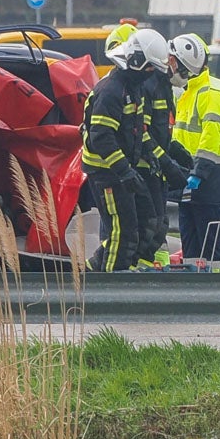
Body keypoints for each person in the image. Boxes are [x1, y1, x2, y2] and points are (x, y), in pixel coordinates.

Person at [83, 28, 170, 272]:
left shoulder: (133, 87)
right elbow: (102, 137)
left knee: (142, 226)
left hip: (122, 170)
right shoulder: (111, 90)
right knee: (122, 235)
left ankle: (93, 271)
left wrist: (149, 154)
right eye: (150, 68)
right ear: (136, 61)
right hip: (107, 172)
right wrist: (124, 171)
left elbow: (137, 129)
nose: (151, 74)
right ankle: (109, 290)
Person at [106, 24, 190, 268]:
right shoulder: (135, 87)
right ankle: (120, 275)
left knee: (156, 224)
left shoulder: (160, 87)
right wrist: (165, 161)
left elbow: (157, 129)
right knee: (136, 229)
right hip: (137, 167)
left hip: (149, 166)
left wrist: (173, 152)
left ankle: (141, 270)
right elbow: (137, 133)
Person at [168, 33, 220, 263]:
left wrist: (198, 174)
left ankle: (219, 289)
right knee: (191, 245)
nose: (170, 67)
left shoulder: (212, 94)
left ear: (186, 64)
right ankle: (193, 290)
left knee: (213, 248)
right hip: (189, 181)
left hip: (209, 183)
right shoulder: (189, 93)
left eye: (173, 62)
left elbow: (211, 138)